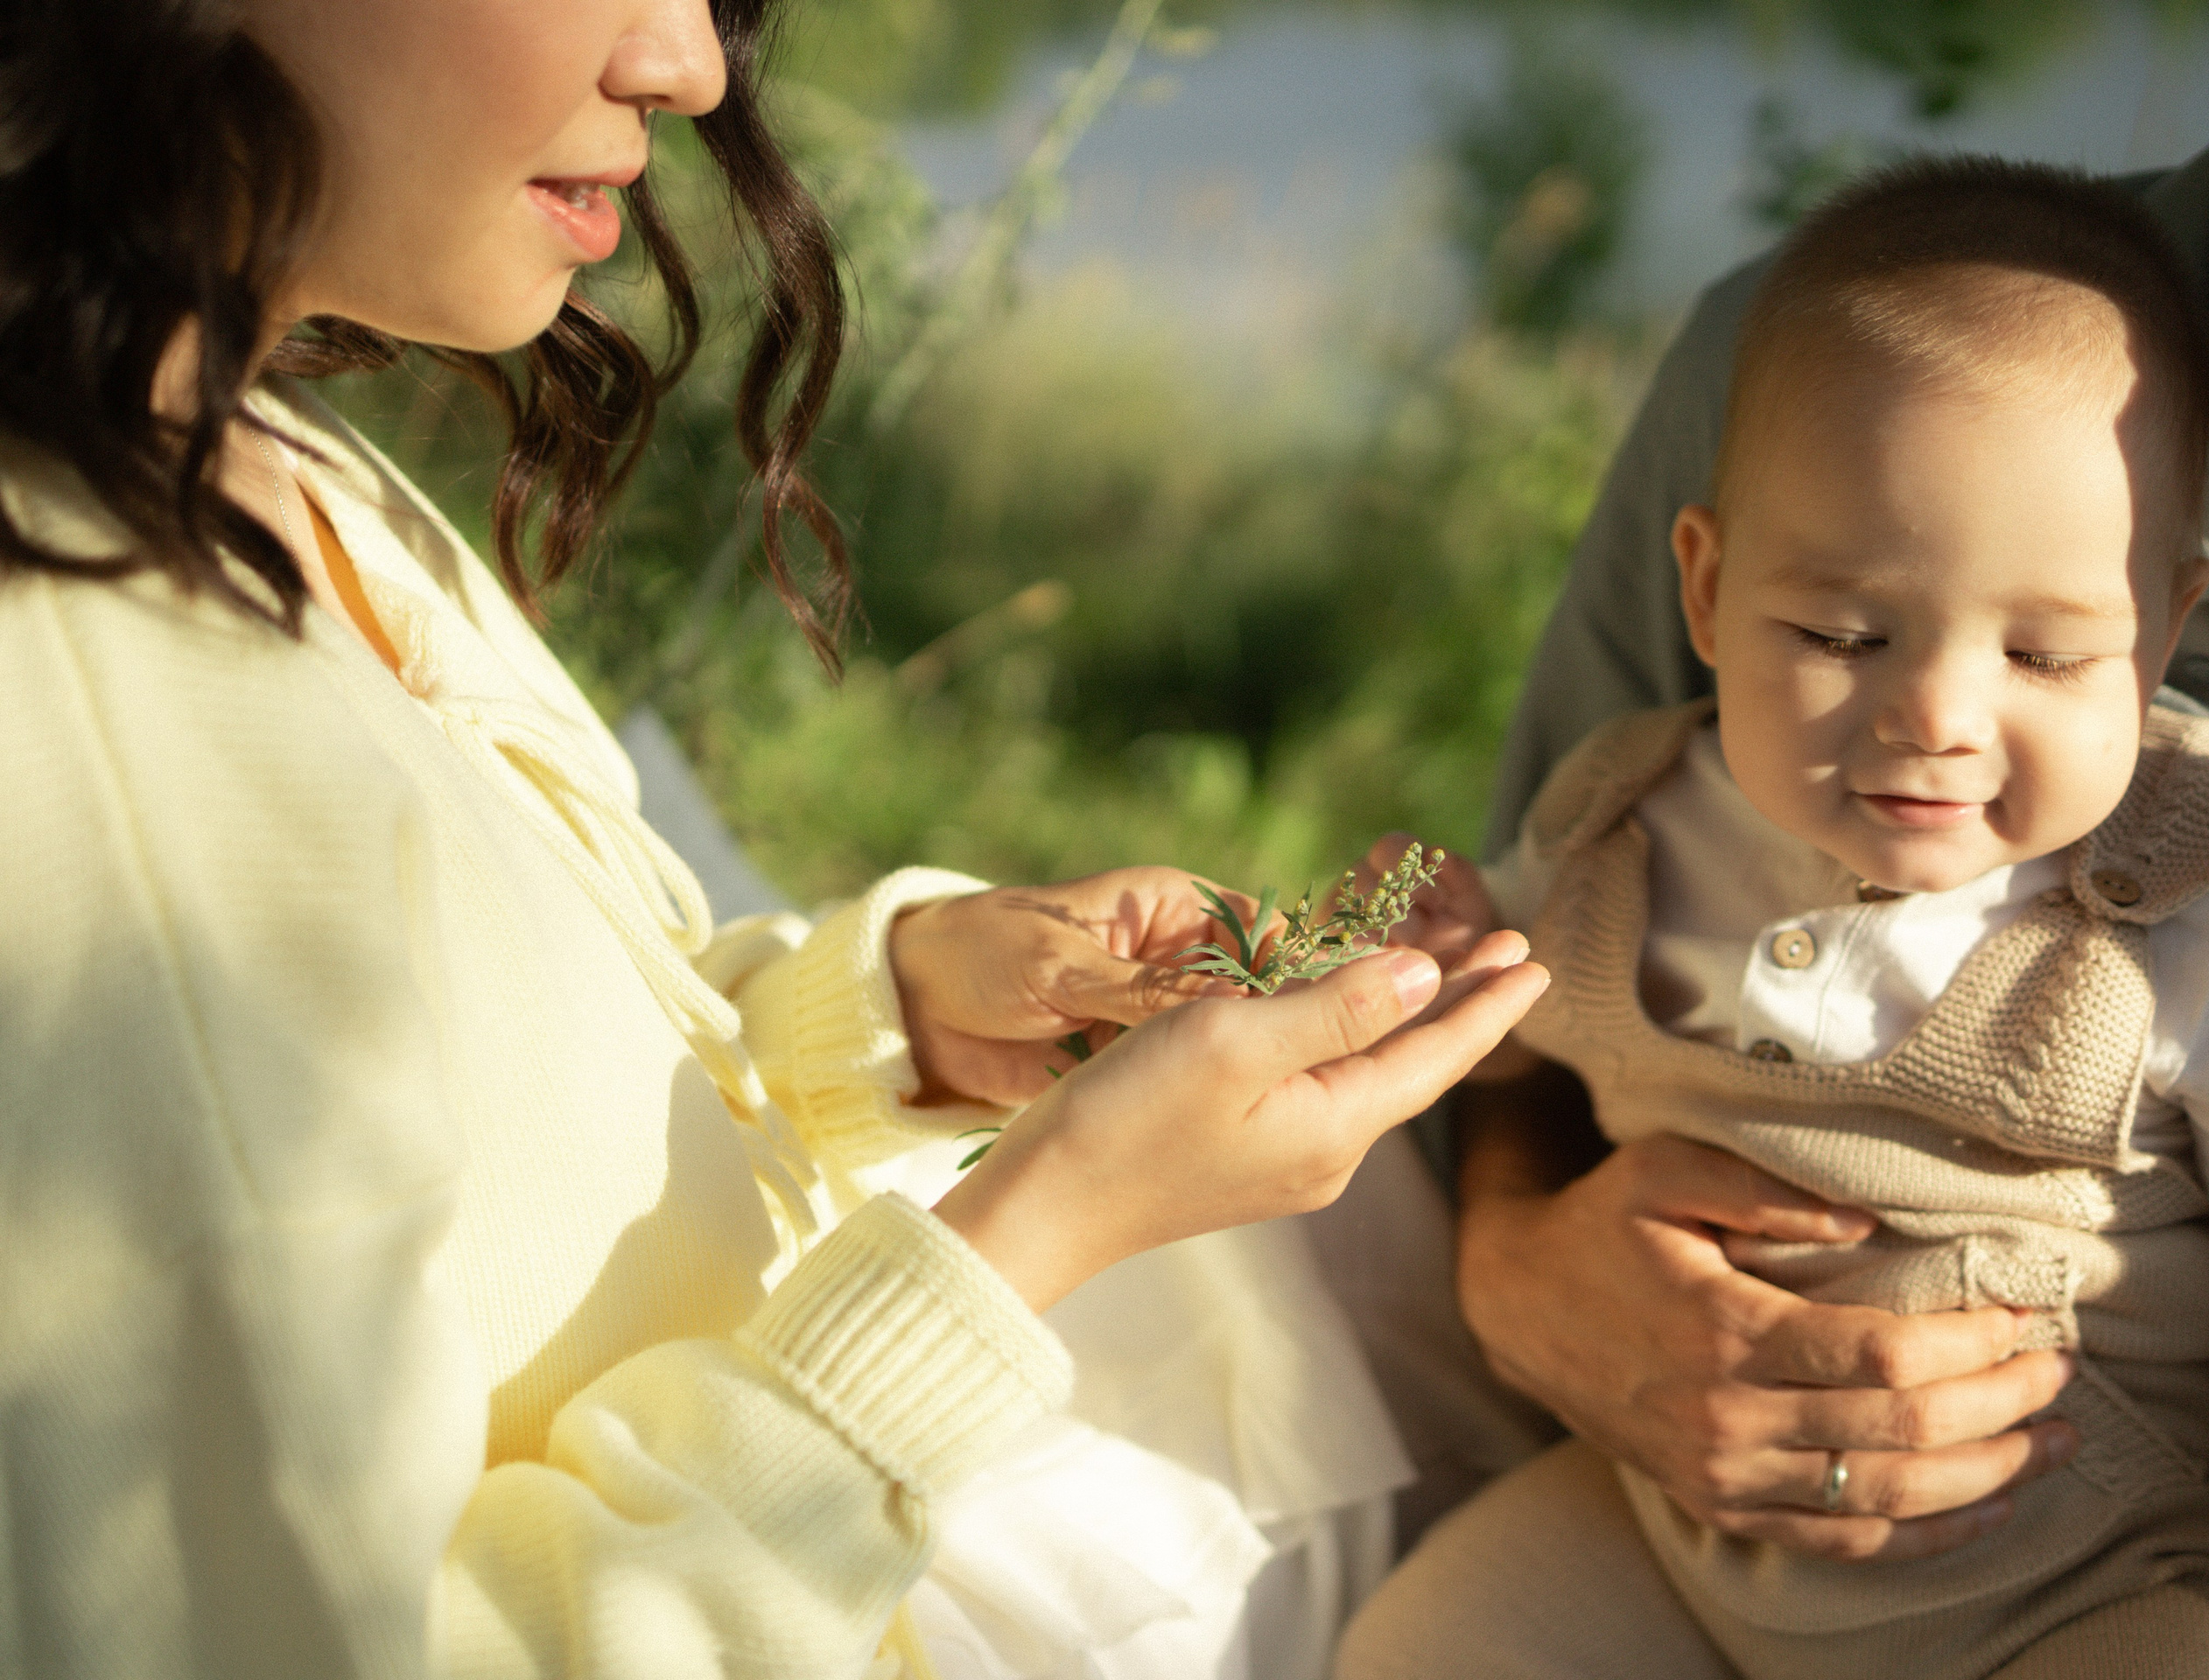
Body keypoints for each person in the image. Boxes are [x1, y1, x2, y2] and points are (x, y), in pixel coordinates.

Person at [0, 3, 1551, 1676]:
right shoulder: (76, 724)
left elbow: (509, 1117)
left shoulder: (244, 443)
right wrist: (1039, 1229)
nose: (689, 64)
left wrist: (892, 1016)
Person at [1341, 157, 2209, 1676]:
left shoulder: (2191, 900)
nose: (1938, 716)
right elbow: (1497, 1014)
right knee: (1422, 1646)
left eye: (2046, 656)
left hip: (2083, 1565)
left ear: (2163, 631)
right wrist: (1424, 967)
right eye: (1839, 634)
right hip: (1679, 1527)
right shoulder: (1634, 824)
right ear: (1704, 591)